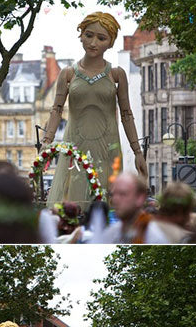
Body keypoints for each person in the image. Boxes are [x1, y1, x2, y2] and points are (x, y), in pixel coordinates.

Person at [41, 12, 146, 208]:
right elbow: (56, 110)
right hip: (75, 146)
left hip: (108, 148)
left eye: (101, 38)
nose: (93, 43)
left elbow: (126, 114)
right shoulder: (68, 74)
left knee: (107, 204)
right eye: (89, 35)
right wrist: (46, 141)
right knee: (70, 201)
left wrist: (137, 152)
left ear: (111, 42)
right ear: (81, 35)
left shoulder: (117, 75)